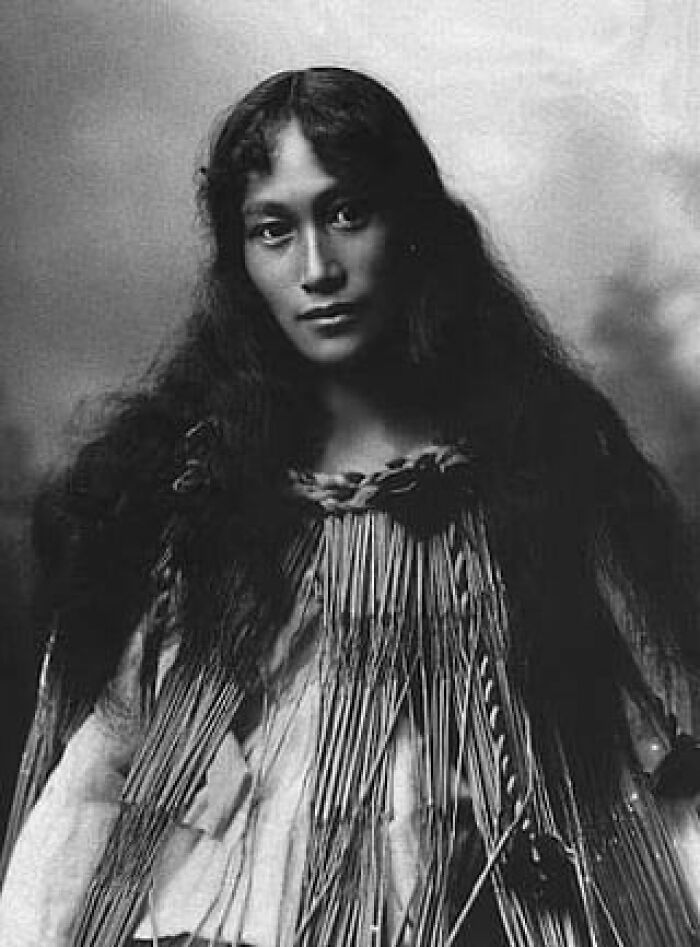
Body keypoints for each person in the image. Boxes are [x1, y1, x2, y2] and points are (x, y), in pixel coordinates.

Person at [0, 66, 699, 947]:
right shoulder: (184, 494)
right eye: (273, 230)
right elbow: (103, 768)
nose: (318, 269)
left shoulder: (542, 468)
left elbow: (654, 750)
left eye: (345, 214)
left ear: (408, 224)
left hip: (495, 900)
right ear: (240, 258)